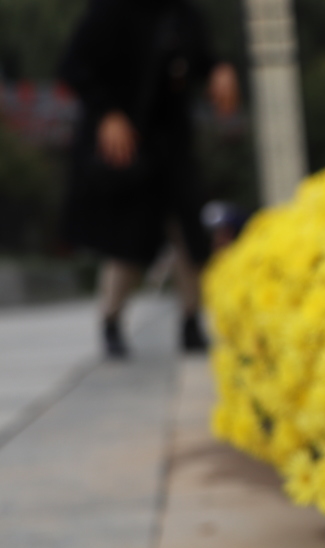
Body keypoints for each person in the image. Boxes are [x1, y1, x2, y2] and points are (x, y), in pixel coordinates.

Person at [59, 0, 239, 358]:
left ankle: (191, 320)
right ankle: (111, 321)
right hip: (128, 145)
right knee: (127, 241)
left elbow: (201, 59)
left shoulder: (184, 13)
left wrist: (220, 70)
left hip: (174, 144)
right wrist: (107, 113)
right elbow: (73, 67)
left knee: (190, 233)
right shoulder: (110, 11)